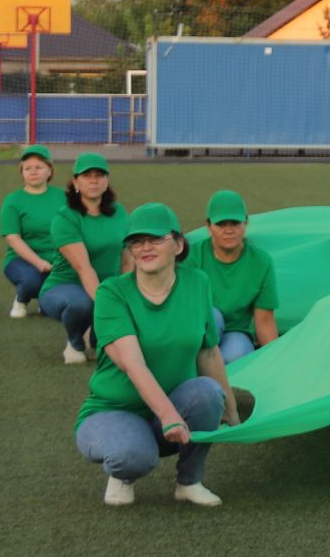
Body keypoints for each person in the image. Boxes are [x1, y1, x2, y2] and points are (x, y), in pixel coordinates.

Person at [73, 203, 237, 507]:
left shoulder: (197, 282)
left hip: (173, 403)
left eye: (155, 239)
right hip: (114, 409)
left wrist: (232, 413)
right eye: (136, 241)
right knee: (134, 456)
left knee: (208, 393)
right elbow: (132, 363)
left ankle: (189, 481)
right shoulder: (113, 293)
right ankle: (123, 473)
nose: (145, 247)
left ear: (178, 244)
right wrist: (169, 417)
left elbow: (209, 353)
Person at [38, 152, 129, 366]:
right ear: (75, 182)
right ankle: (75, 341)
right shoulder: (66, 217)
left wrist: (130, 295)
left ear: (107, 181)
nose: (94, 180)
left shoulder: (119, 212)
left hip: (107, 286)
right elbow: (83, 267)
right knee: (82, 303)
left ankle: (97, 338)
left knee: (123, 310)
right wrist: (108, 304)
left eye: (100, 175)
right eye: (87, 175)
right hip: (65, 286)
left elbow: (127, 261)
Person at [185, 190, 279, 363]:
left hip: (236, 332)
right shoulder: (192, 257)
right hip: (200, 330)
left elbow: (264, 320)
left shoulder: (261, 262)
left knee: (235, 356)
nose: (228, 230)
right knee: (212, 315)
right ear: (208, 225)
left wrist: (275, 362)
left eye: (235, 223)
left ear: (246, 222)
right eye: (221, 224)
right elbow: (182, 309)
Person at [0, 144, 65, 318]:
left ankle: (46, 302)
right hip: (22, 260)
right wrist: (39, 263)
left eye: (39, 167)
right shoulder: (13, 200)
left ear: (50, 171)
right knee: (32, 280)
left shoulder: (63, 197)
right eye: (28, 168)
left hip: (60, 258)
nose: (33, 172)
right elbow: (13, 238)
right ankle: (22, 299)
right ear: (22, 172)